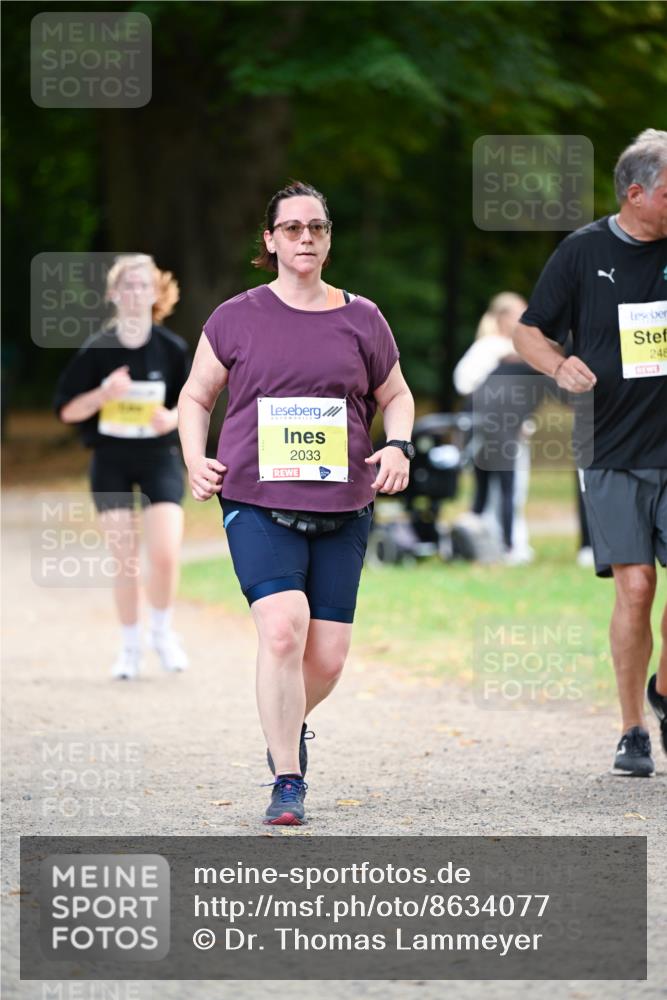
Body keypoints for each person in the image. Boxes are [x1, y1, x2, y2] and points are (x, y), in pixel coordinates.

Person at [178, 180, 414, 825]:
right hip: (256, 499)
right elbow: (196, 397)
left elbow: (396, 394)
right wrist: (196, 459)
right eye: (292, 228)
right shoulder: (236, 316)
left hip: (344, 503)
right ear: (270, 240)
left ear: (328, 238)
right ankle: (288, 777)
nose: (305, 238)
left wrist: (399, 448)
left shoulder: (362, 317)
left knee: (329, 658)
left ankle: (283, 725)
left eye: (316, 227)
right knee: (283, 630)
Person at [514, 129, 667, 776]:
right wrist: (558, 367)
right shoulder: (581, 252)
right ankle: (632, 723)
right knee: (635, 588)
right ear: (636, 194)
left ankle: (665, 692)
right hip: (609, 445)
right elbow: (527, 331)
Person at [54, 254, 191, 680]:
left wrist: (171, 418)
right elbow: (67, 411)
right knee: (126, 558)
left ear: (155, 292)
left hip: (159, 459)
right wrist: (103, 394)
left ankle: (162, 633)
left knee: (165, 554)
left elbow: (193, 404)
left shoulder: (172, 349)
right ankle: (129, 647)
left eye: (143, 284)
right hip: (111, 460)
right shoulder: (98, 349)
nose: (135, 292)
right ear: (114, 294)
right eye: (127, 285)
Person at [453, 292, 535, 562]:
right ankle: (499, 544)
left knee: (513, 488)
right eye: (517, 314)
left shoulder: (520, 350)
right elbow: (464, 382)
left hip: (512, 430)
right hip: (491, 431)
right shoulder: (491, 348)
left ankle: (510, 543)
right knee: (494, 487)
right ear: (503, 317)